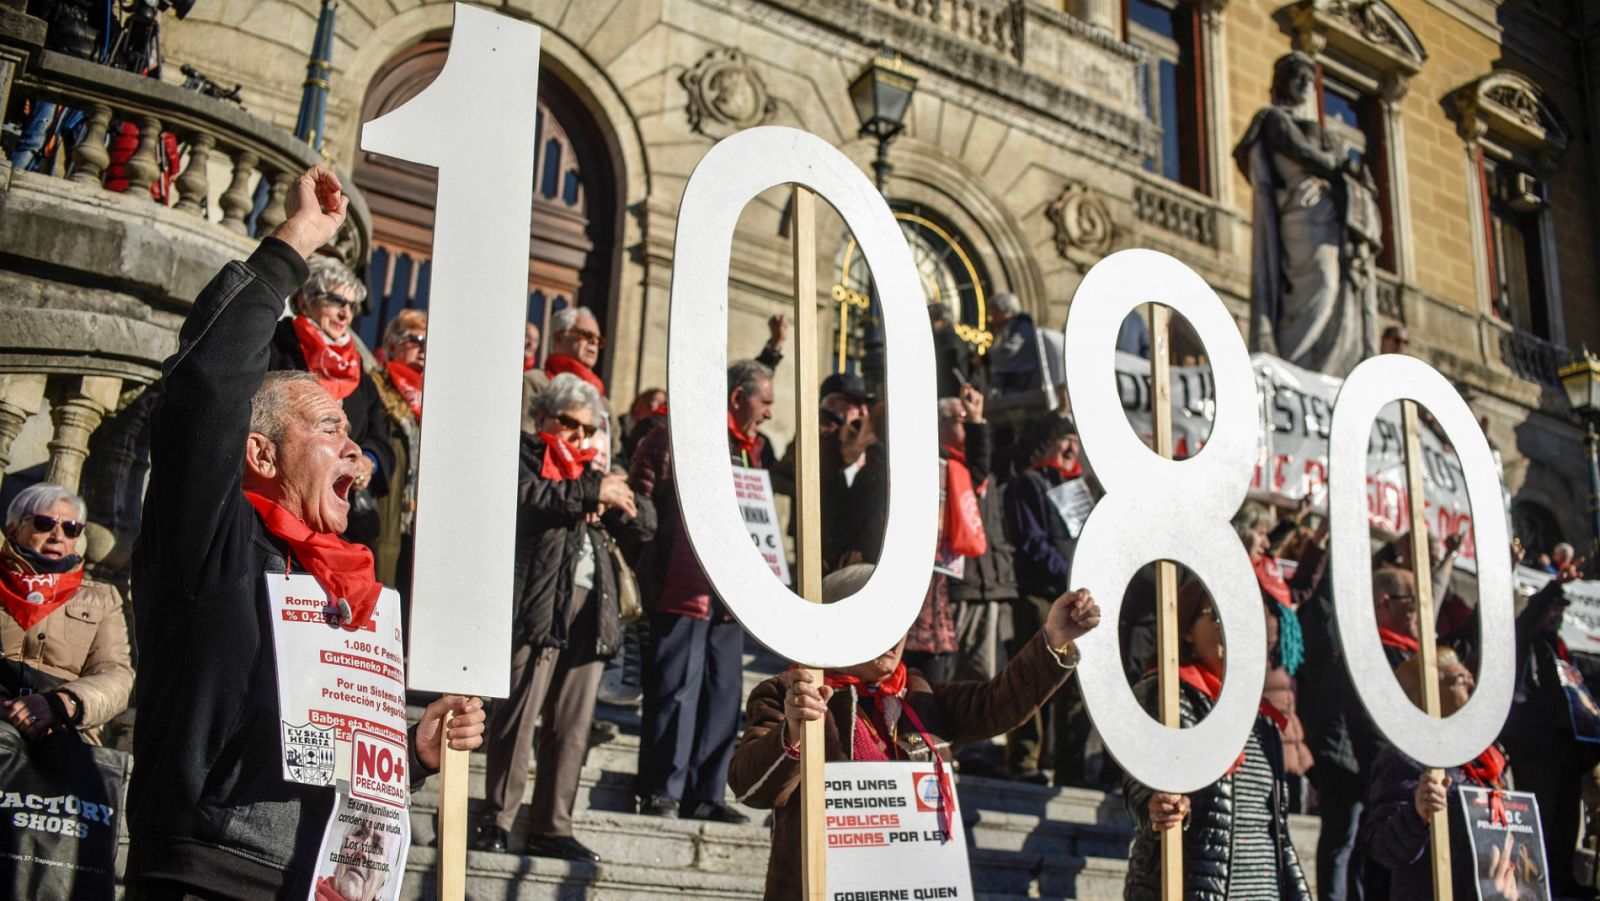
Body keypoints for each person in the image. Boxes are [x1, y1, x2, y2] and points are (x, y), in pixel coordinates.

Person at [124, 165, 486, 899]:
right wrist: (294, 242)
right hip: (203, 876)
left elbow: (326, 753)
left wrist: (411, 752)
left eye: (353, 434)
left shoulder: (352, 591)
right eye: (329, 428)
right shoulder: (211, 540)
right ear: (258, 452)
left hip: (316, 879)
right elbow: (204, 386)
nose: (356, 450)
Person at [728, 563, 1101, 901]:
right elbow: (749, 787)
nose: (893, 637)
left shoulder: (920, 694)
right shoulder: (789, 693)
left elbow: (997, 704)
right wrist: (792, 732)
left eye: (900, 623)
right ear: (838, 625)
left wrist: (1053, 639)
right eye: (876, 621)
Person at [474, 374, 655, 861]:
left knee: (572, 724)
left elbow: (646, 523)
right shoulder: (526, 453)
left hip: (593, 608)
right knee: (518, 714)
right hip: (537, 603)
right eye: (568, 424)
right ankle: (496, 817)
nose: (578, 436)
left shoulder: (600, 471)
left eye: (588, 427)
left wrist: (608, 490)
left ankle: (552, 825)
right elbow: (529, 498)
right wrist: (592, 489)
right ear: (542, 418)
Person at [629, 359, 789, 823]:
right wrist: (656, 553)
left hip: (731, 595)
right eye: (765, 402)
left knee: (723, 693)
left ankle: (706, 794)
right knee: (676, 692)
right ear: (738, 398)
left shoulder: (753, 450)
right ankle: (661, 790)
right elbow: (640, 498)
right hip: (683, 587)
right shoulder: (677, 435)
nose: (769, 414)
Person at [1123, 582, 1312, 901]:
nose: (1231, 629)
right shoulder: (1167, 696)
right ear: (1185, 631)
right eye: (1217, 618)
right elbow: (1140, 783)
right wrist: (1155, 804)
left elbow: (1277, 833)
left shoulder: (1260, 716)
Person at [1235, 51, 1381, 378]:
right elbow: (1300, 152)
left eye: (1309, 79)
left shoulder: (1320, 131)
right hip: (1301, 213)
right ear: (1281, 81)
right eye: (1297, 75)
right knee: (1319, 285)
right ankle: (1293, 368)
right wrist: (1342, 167)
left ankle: (1321, 369)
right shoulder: (1274, 119)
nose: (1304, 84)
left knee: (1334, 292)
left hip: (1327, 217)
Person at [1357, 648, 1517, 899]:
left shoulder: (1485, 758)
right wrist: (1417, 814)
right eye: (1460, 680)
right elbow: (1383, 847)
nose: (1473, 686)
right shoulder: (1405, 758)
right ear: (1426, 693)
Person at [268, 254, 395, 549]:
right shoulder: (278, 347)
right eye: (335, 301)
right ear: (305, 301)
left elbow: (380, 438)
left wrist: (368, 462)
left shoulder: (360, 374)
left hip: (342, 521)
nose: (345, 314)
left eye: (351, 306)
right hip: (283, 503)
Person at [0, 483, 132, 745]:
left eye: (71, 529)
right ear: (14, 529)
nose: (57, 536)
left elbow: (117, 678)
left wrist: (62, 704)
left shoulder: (102, 599)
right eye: (44, 523)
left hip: (65, 734)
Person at [1002, 415, 1089, 785]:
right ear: (1048, 443)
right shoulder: (1027, 485)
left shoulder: (1078, 490)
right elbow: (1032, 542)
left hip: (1075, 601)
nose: (1072, 448)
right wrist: (1070, 575)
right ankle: (1024, 761)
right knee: (1034, 679)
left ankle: (1072, 767)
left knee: (1075, 688)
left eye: (1076, 440)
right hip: (1040, 597)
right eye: (1064, 440)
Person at [1500, 570, 1598, 898]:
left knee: (1566, 817)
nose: (1556, 615)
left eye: (1560, 610)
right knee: (1540, 815)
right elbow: (1528, 618)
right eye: (1552, 609)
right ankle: (1536, 880)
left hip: (1566, 745)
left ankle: (1562, 877)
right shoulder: (1524, 639)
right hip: (1536, 744)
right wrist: (1554, 585)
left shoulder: (1561, 648)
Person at [368, 309, 425, 595]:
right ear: (392, 344)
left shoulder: (436, 398)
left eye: (430, 341)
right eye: (416, 340)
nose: (425, 349)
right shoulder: (376, 385)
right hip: (386, 507)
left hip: (420, 520)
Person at [928, 302, 971, 398]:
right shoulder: (947, 338)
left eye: (931, 319)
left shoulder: (949, 340)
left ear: (942, 320)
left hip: (950, 393)